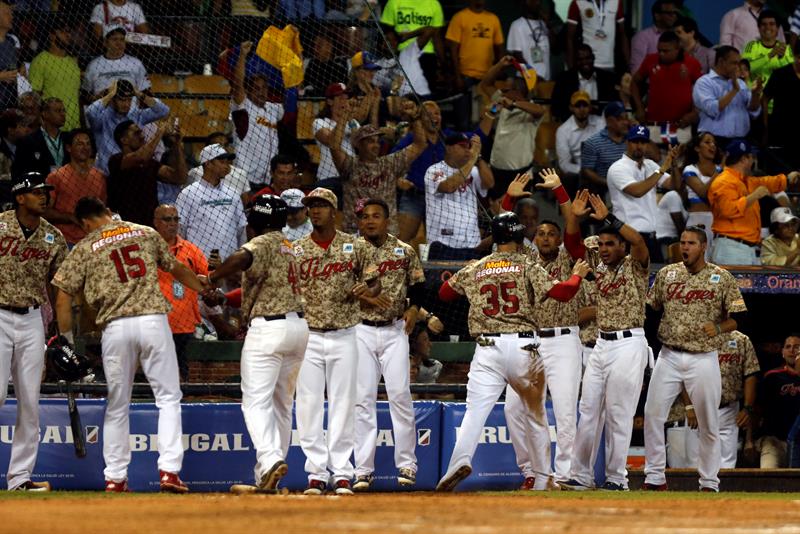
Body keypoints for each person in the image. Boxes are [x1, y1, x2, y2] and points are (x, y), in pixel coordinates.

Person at [53, 196, 208, 493]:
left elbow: (63, 296)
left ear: (85, 223)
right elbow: (176, 268)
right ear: (109, 213)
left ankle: (115, 478)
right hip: (153, 322)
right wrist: (203, 287)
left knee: (117, 404)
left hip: (116, 328)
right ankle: (169, 472)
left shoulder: (85, 246)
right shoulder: (145, 232)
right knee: (168, 398)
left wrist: (67, 341)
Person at [435, 212, 590, 491]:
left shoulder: (478, 266)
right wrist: (577, 276)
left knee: (475, 412)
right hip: (523, 348)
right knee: (535, 415)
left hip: (487, 349)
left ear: (495, 238)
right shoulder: (527, 264)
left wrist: (471, 273)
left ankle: (458, 462)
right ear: (520, 238)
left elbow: (445, 293)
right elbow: (563, 293)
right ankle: (543, 478)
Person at [202, 194, 307, 490]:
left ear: (254, 221)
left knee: (255, 402)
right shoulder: (289, 246)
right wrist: (224, 295)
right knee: (282, 405)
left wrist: (213, 276)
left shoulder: (263, 241)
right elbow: (261, 284)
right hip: (298, 328)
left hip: (268, 330)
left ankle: (271, 458)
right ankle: (267, 474)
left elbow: (242, 258)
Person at [643, 227, 747, 492]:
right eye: (682, 242)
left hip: (703, 358)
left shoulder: (720, 277)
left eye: (691, 243)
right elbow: (651, 308)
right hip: (669, 355)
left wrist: (721, 327)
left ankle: (709, 482)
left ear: (704, 247)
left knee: (708, 421)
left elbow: (741, 317)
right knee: (653, 415)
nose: (685, 247)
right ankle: (655, 477)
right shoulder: (668, 274)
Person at [504, 171, 591, 485]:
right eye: (540, 233)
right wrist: (510, 198)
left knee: (566, 410)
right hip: (527, 341)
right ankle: (530, 471)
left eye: (550, 234)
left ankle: (564, 474)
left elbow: (572, 227)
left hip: (564, 340)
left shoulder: (569, 259)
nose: (545, 238)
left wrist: (560, 192)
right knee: (513, 410)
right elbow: (503, 229)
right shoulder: (525, 258)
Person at [560, 195, 651, 492]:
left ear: (621, 247)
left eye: (610, 243)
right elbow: (574, 245)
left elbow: (638, 241)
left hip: (629, 343)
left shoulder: (635, 265)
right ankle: (581, 475)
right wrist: (574, 216)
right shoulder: (598, 265)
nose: (604, 249)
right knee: (588, 411)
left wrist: (609, 218)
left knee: (619, 413)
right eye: (601, 244)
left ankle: (616, 478)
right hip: (601, 343)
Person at [293, 187, 378, 496]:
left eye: (321, 206)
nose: (315, 211)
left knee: (344, 404)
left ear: (334, 211)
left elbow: (376, 282)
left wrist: (367, 289)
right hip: (308, 335)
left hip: (345, 334)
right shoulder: (297, 249)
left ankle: (342, 471)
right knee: (308, 405)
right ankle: (316, 472)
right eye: (311, 206)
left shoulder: (354, 246)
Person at [352, 199, 426, 491]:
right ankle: (362, 470)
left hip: (395, 330)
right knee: (363, 400)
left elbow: (419, 285)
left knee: (400, 395)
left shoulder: (404, 250)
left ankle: (407, 465)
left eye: (376, 216)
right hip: (360, 330)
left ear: (387, 220)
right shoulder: (350, 250)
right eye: (364, 217)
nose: (370, 221)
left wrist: (413, 308)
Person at [0, 173, 68, 492]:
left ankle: (19, 478)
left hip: (32, 320)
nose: (44, 196)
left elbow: (61, 284)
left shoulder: (53, 236)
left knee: (30, 399)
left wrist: (59, 328)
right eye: (37, 192)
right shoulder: (0, 224)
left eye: (45, 192)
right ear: (20, 197)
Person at [672, 330, 759, 469]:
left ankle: (724, 490)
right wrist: (689, 406)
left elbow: (751, 374)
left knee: (726, 464)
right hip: (698, 407)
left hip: (729, 409)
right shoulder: (694, 336)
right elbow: (682, 374)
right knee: (694, 464)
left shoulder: (741, 340)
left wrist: (747, 407)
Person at [330, 112, 426, 235]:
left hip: (386, 234)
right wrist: (344, 115)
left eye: (377, 141)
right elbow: (334, 146)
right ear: (359, 144)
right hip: (356, 233)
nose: (376, 145)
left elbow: (420, 144)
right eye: (370, 141)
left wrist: (416, 118)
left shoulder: (390, 163)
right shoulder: (350, 165)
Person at [707, 139, 800, 266]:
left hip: (746, 249)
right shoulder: (723, 181)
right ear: (744, 159)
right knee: (731, 286)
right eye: (752, 157)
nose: (753, 161)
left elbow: (769, 182)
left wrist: (788, 179)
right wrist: (753, 196)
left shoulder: (747, 181)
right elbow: (727, 210)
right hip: (730, 247)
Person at [606, 125, 680, 262]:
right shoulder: (617, 168)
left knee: (654, 278)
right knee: (632, 280)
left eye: (643, 142)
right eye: (635, 142)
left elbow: (674, 185)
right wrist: (663, 168)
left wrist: (674, 165)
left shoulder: (650, 165)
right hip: (627, 236)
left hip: (651, 235)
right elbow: (637, 191)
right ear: (627, 143)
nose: (639, 146)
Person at [153, 204, 209, 382]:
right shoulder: (146, 249)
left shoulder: (190, 250)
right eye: (167, 219)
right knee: (157, 371)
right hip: (155, 322)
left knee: (182, 373)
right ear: (155, 223)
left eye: (176, 219)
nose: (172, 223)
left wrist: (216, 272)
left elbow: (209, 280)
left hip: (183, 326)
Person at [478, 56, 546, 198]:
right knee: (497, 215)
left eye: (515, 83)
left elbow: (540, 111)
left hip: (520, 175)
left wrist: (514, 104)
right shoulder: (502, 100)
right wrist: (500, 65)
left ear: (524, 87)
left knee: (520, 215)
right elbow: (485, 84)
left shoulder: (532, 108)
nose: (509, 85)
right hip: (496, 172)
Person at [424, 133, 494, 260]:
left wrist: (478, 158)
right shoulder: (434, 170)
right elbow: (449, 187)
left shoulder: (472, 170)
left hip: (470, 243)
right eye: (462, 146)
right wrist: (472, 159)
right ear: (449, 148)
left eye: (469, 146)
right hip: (443, 243)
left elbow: (490, 183)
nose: (467, 150)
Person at [107, 119, 186, 227]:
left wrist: (177, 145)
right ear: (124, 140)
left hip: (150, 226)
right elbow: (141, 157)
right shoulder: (116, 160)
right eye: (137, 133)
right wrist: (160, 131)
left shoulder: (151, 163)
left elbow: (179, 178)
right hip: (126, 227)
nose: (142, 137)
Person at [176, 143, 246, 261]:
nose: (227, 166)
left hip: (229, 264)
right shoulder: (188, 193)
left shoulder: (233, 193)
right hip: (199, 261)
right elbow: (180, 229)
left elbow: (241, 229)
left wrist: (241, 260)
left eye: (227, 162)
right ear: (208, 163)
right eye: (222, 162)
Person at [86, 79, 170, 175]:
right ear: (113, 100)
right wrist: (110, 95)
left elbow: (164, 111)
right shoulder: (102, 118)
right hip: (108, 175)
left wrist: (139, 94)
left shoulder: (135, 115)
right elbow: (90, 113)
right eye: (121, 99)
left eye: (129, 99)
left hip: (134, 172)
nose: (126, 104)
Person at [230, 41, 285, 189]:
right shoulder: (244, 107)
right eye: (256, 88)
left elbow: (292, 97)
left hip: (268, 179)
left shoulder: (274, 109)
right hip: (245, 179)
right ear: (248, 91)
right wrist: (242, 55)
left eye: (264, 88)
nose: (261, 92)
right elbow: (237, 85)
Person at [630, 31, 701, 142]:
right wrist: (639, 108)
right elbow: (634, 82)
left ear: (677, 49)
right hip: (653, 123)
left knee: (678, 158)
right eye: (659, 50)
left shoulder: (692, 63)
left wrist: (695, 112)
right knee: (652, 157)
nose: (661, 54)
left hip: (680, 125)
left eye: (666, 51)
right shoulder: (650, 60)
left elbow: (703, 91)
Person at [446, 0, 504, 130]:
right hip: (465, 76)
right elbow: (453, 49)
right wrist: (457, 76)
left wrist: (499, 70)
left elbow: (499, 47)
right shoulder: (460, 17)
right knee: (463, 123)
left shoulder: (493, 19)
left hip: (487, 79)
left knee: (486, 120)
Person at [44, 129, 107, 246]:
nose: (85, 147)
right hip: (67, 240)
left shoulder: (99, 176)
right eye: (79, 144)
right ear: (68, 148)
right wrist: (71, 218)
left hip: (95, 239)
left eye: (88, 144)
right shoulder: (56, 176)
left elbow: (102, 207)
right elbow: (45, 211)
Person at [693, 46, 762, 146]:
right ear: (721, 61)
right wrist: (734, 91)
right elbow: (712, 109)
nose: (737, 67)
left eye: (739, 63)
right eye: (734, 63)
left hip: (741, 141)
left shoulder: (741, 84)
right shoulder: (704, 82)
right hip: (715, 142)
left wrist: (755, 94)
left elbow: (753, 112)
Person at [755, 334, 800, 468]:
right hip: (774, 441)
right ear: (782, 352)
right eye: (788, 347)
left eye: (797, 347)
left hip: (799, 442)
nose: (792, 350)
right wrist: (749, 441)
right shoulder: (772, 376)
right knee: (767, 481)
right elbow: (757, 408)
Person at [380, 0, 445, 90]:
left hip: (426, 56)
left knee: (425, 96)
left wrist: (443, 64)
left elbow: (437, 37)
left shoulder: (434, 4)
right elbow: (386, 34)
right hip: (402, 56)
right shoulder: (394, 2)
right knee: (400, 93)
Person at [28, 20, 81, 131]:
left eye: (69, 32)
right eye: (63, 31)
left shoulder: (73, 62)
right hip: (52, 126)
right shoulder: (40, 61)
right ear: (52, 35)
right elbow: (34, 96)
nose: (68, 35)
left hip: (75, 125)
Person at [551, 44, 620, 122]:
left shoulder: (607, 78)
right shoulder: (564, 79)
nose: (584, 62)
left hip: (601, 123)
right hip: (574, 124)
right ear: (575, 61)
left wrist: (595, 111)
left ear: (593, 58)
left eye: (588, 58)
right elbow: (556, 108)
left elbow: (613, 105)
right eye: (580, 59)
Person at [743, 10, 793, 116]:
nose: (767, 28)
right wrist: (769, 55)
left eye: (772, 24)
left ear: (778, 28)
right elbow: (745, 69)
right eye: (763, 24)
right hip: (756, 106)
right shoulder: (751, 46)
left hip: (780, 106)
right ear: (758, 27)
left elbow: (793, 75)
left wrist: (782, 59)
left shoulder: (787, 49)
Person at [556, 90, 605, 195]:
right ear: (571, 108)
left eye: (585, 105)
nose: (582, 109)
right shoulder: (563, 130)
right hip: (580, 171)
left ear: (590, 107)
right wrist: (584, 171)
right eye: (578, 106)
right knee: (572, 178)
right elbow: (564, 163)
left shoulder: (600, 123)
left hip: (601, 167)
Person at [82, 27, 150, 100]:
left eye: (122, 39)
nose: (119, 43)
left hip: (131, 109)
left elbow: (145, 91)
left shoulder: (136, 63)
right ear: (105, 42)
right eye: (114, 39)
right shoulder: (94, 65)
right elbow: (86, 94)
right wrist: (101, 95)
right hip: (102, 109)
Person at [682, 132, 721, 254]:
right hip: (697, 219)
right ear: (697, 148)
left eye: (714, 143)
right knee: (697, 261)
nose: (712, 145)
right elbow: (703, 192)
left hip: (717, 220)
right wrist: (718, 174)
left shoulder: (721, 169)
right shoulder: (690, 169)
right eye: (707, 142)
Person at [762, 42, 800, 168]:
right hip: (780, 133)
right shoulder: (781, 74)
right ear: (795, 56)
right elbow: (765, 98)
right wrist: (766, 125)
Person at [580, 101, 629, 197]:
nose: (626, 122)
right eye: (620, 119)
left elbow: (656, 156)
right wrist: (609, 183)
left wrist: (638, 131)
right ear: (609, 121)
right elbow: (586, 171)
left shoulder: (632, 139)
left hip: (633, 186)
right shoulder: (593, 142)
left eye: (626, 118)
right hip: (606, 190)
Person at [12, 97, 68, 178]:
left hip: (67, 185)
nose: (63, 114)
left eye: (64, 110)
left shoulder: (68, 138)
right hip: (41, 187)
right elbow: (19, 172)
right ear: (45, 114)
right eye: (58, 111)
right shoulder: (28, 141)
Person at [566, 0, 628, 72]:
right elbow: (569, 38)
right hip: (586, 65)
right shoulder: (578, 2)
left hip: (609, 64)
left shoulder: (616, 2)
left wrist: (628, 67)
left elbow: (623, 35)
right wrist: (570, 69)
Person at [313, 83, 355, 187]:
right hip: (328, 177)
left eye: (347, 99)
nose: (345, 102)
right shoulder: (319, 122)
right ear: (330, 101)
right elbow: (330, 140)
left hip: (352, 177)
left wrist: (350, 119)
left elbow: (359, 143)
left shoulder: (353, 122)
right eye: (341, 98)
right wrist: (344, 117)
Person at [187, 133, 248, 199]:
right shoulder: (195, 173)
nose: (224, 148)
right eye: (218, 145)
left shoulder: (241, 174)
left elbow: (246, 205)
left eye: (226, 145)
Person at [507, 0, 554, 80]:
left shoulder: (543, 24)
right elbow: (517, 57)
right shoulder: (517, 25)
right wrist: (532, 76)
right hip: (525, 80)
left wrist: (548, 24)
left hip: (545, 79)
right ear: (526, 2)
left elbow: (555, 47)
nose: (538, 3)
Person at [629, 0, 680, 73]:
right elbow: (636, 70)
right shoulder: (642, 37)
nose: (674, 16)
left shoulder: (678, 35)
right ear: (657, 16)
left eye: (675, 13)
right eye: (669, 13)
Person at [0, 2, 18, 111]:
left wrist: (20, 75)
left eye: (11, 13)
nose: (11, 16)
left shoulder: (11, 43)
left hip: (9, 105)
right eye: (7, 13)